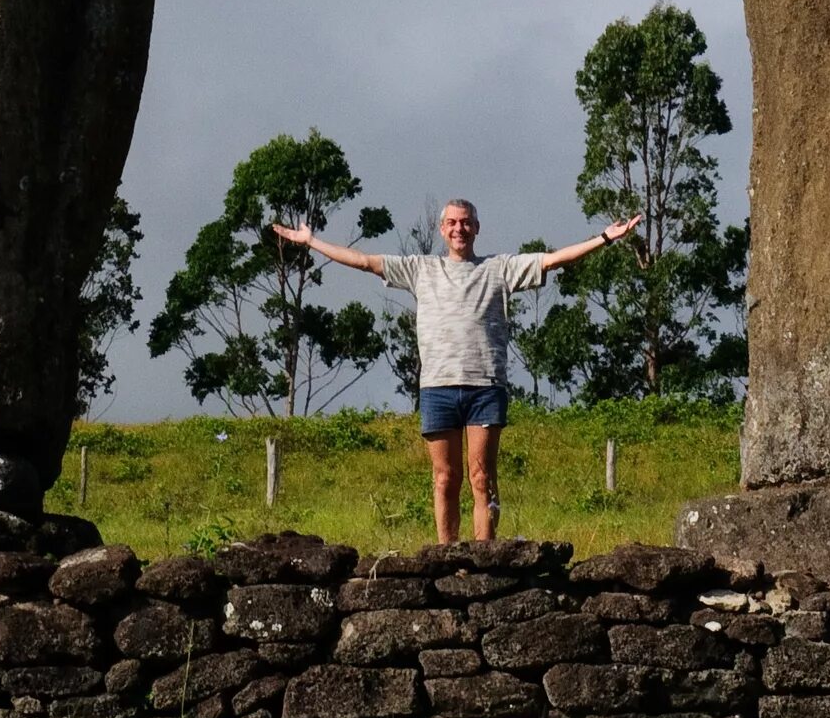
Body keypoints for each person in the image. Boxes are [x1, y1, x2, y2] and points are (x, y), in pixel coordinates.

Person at [269, 199, 637, 544]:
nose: (459, 229)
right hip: (438, 388)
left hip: (485, 386)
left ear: (476, 228)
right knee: (445, 479)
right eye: (451, 223)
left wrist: (605, 238)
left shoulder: (499, 268)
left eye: (465, 222)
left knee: (482, 477)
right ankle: (447, 556)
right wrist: (311, 241)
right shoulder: (421, 269)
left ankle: (484, 558)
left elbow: (554, 260)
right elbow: (363, 261)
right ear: (442, 229)